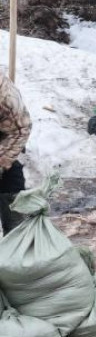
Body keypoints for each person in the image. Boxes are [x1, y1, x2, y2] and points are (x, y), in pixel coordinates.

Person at [0, 72, 31, 234]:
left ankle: (15, 236)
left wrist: (3, 160)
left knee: (11, 182)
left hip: (4, 138)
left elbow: (20, 130)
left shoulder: (6, 95)